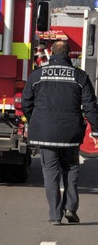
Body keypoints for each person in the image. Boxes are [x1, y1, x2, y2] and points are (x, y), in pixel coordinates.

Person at [22, 40, 98, 225]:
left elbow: (26, 102)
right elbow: (90, 106)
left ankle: (55, 215)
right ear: (68, 54)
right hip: (71, 132)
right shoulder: (80, 76)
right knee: (71, 169)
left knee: (50, 172)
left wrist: (36, 121)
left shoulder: (37, 75)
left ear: (51, 52)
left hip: (45, 133)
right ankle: (71, 208)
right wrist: (95, 129)